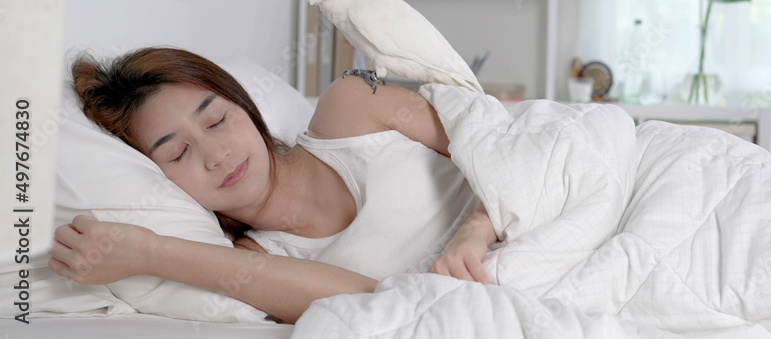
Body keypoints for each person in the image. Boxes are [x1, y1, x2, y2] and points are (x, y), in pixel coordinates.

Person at [48, 47, 499, 324]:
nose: (217, 154)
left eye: (217, 119)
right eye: (178, 153)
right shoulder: (256, 265)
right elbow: (376, 306)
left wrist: (478, 228)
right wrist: (149, 252)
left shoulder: (353, 108)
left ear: (242, 105)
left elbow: (499, 144)